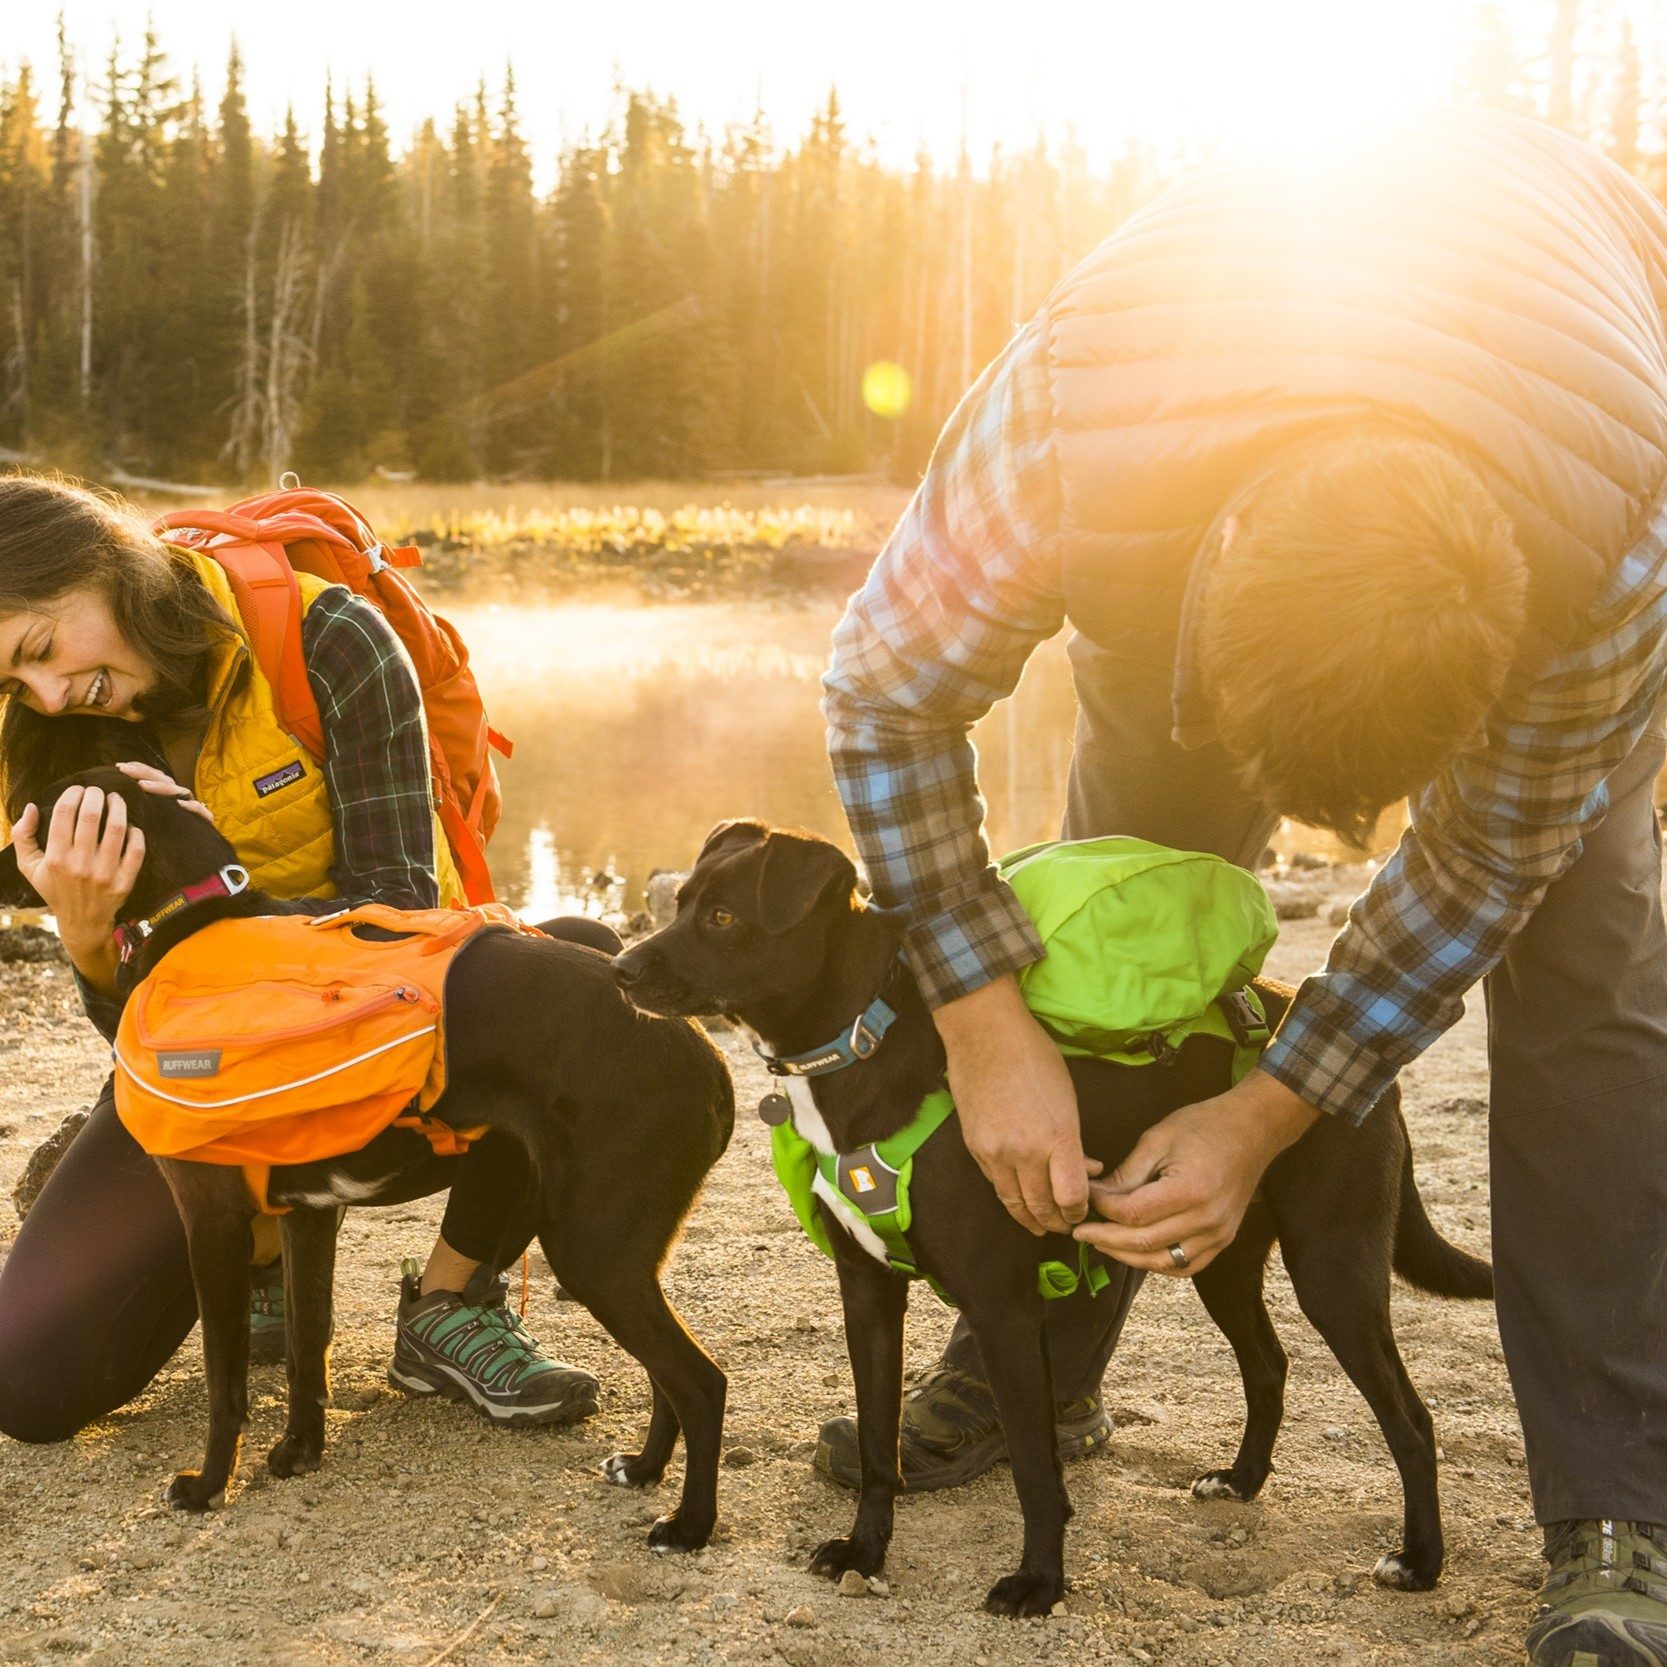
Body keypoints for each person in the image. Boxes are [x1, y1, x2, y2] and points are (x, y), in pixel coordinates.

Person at [819, 110, 1667, 1667]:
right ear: (1212, 577)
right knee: (1125, 876)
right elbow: (881, 694)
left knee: (1587, 969)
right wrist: (981, 1017)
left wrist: (1266, 1107)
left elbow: (1480, 866)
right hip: (1201, 393)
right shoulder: (1072, 432)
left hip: (1567, 351)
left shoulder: (1606, 548)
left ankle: (1613, 1497)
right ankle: (1041, 1356)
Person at [0, 472, 605, 1444]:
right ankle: (258, 1251)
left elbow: (395, 918)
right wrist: (84, 938)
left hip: (400, 1049)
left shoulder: (331, 641)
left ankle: (452, 1301)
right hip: (213, 1078)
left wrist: (208, 906)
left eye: (39, 649)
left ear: (101, 562)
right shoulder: (56, 730)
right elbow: (136, 1029)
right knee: (29, 1388)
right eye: (12, 683)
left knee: (581, 962)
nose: (47, 692)